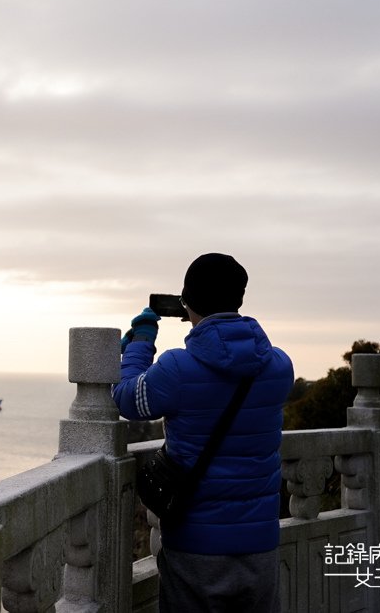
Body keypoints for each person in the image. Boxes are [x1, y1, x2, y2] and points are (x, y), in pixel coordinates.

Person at [112, 253, 293, 612]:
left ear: (187, 302)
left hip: (195, 544)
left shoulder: (178, 368)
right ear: (240, 299)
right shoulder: (279, 366)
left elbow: (127, 399)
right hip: (260, 543)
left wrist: (139, 344)